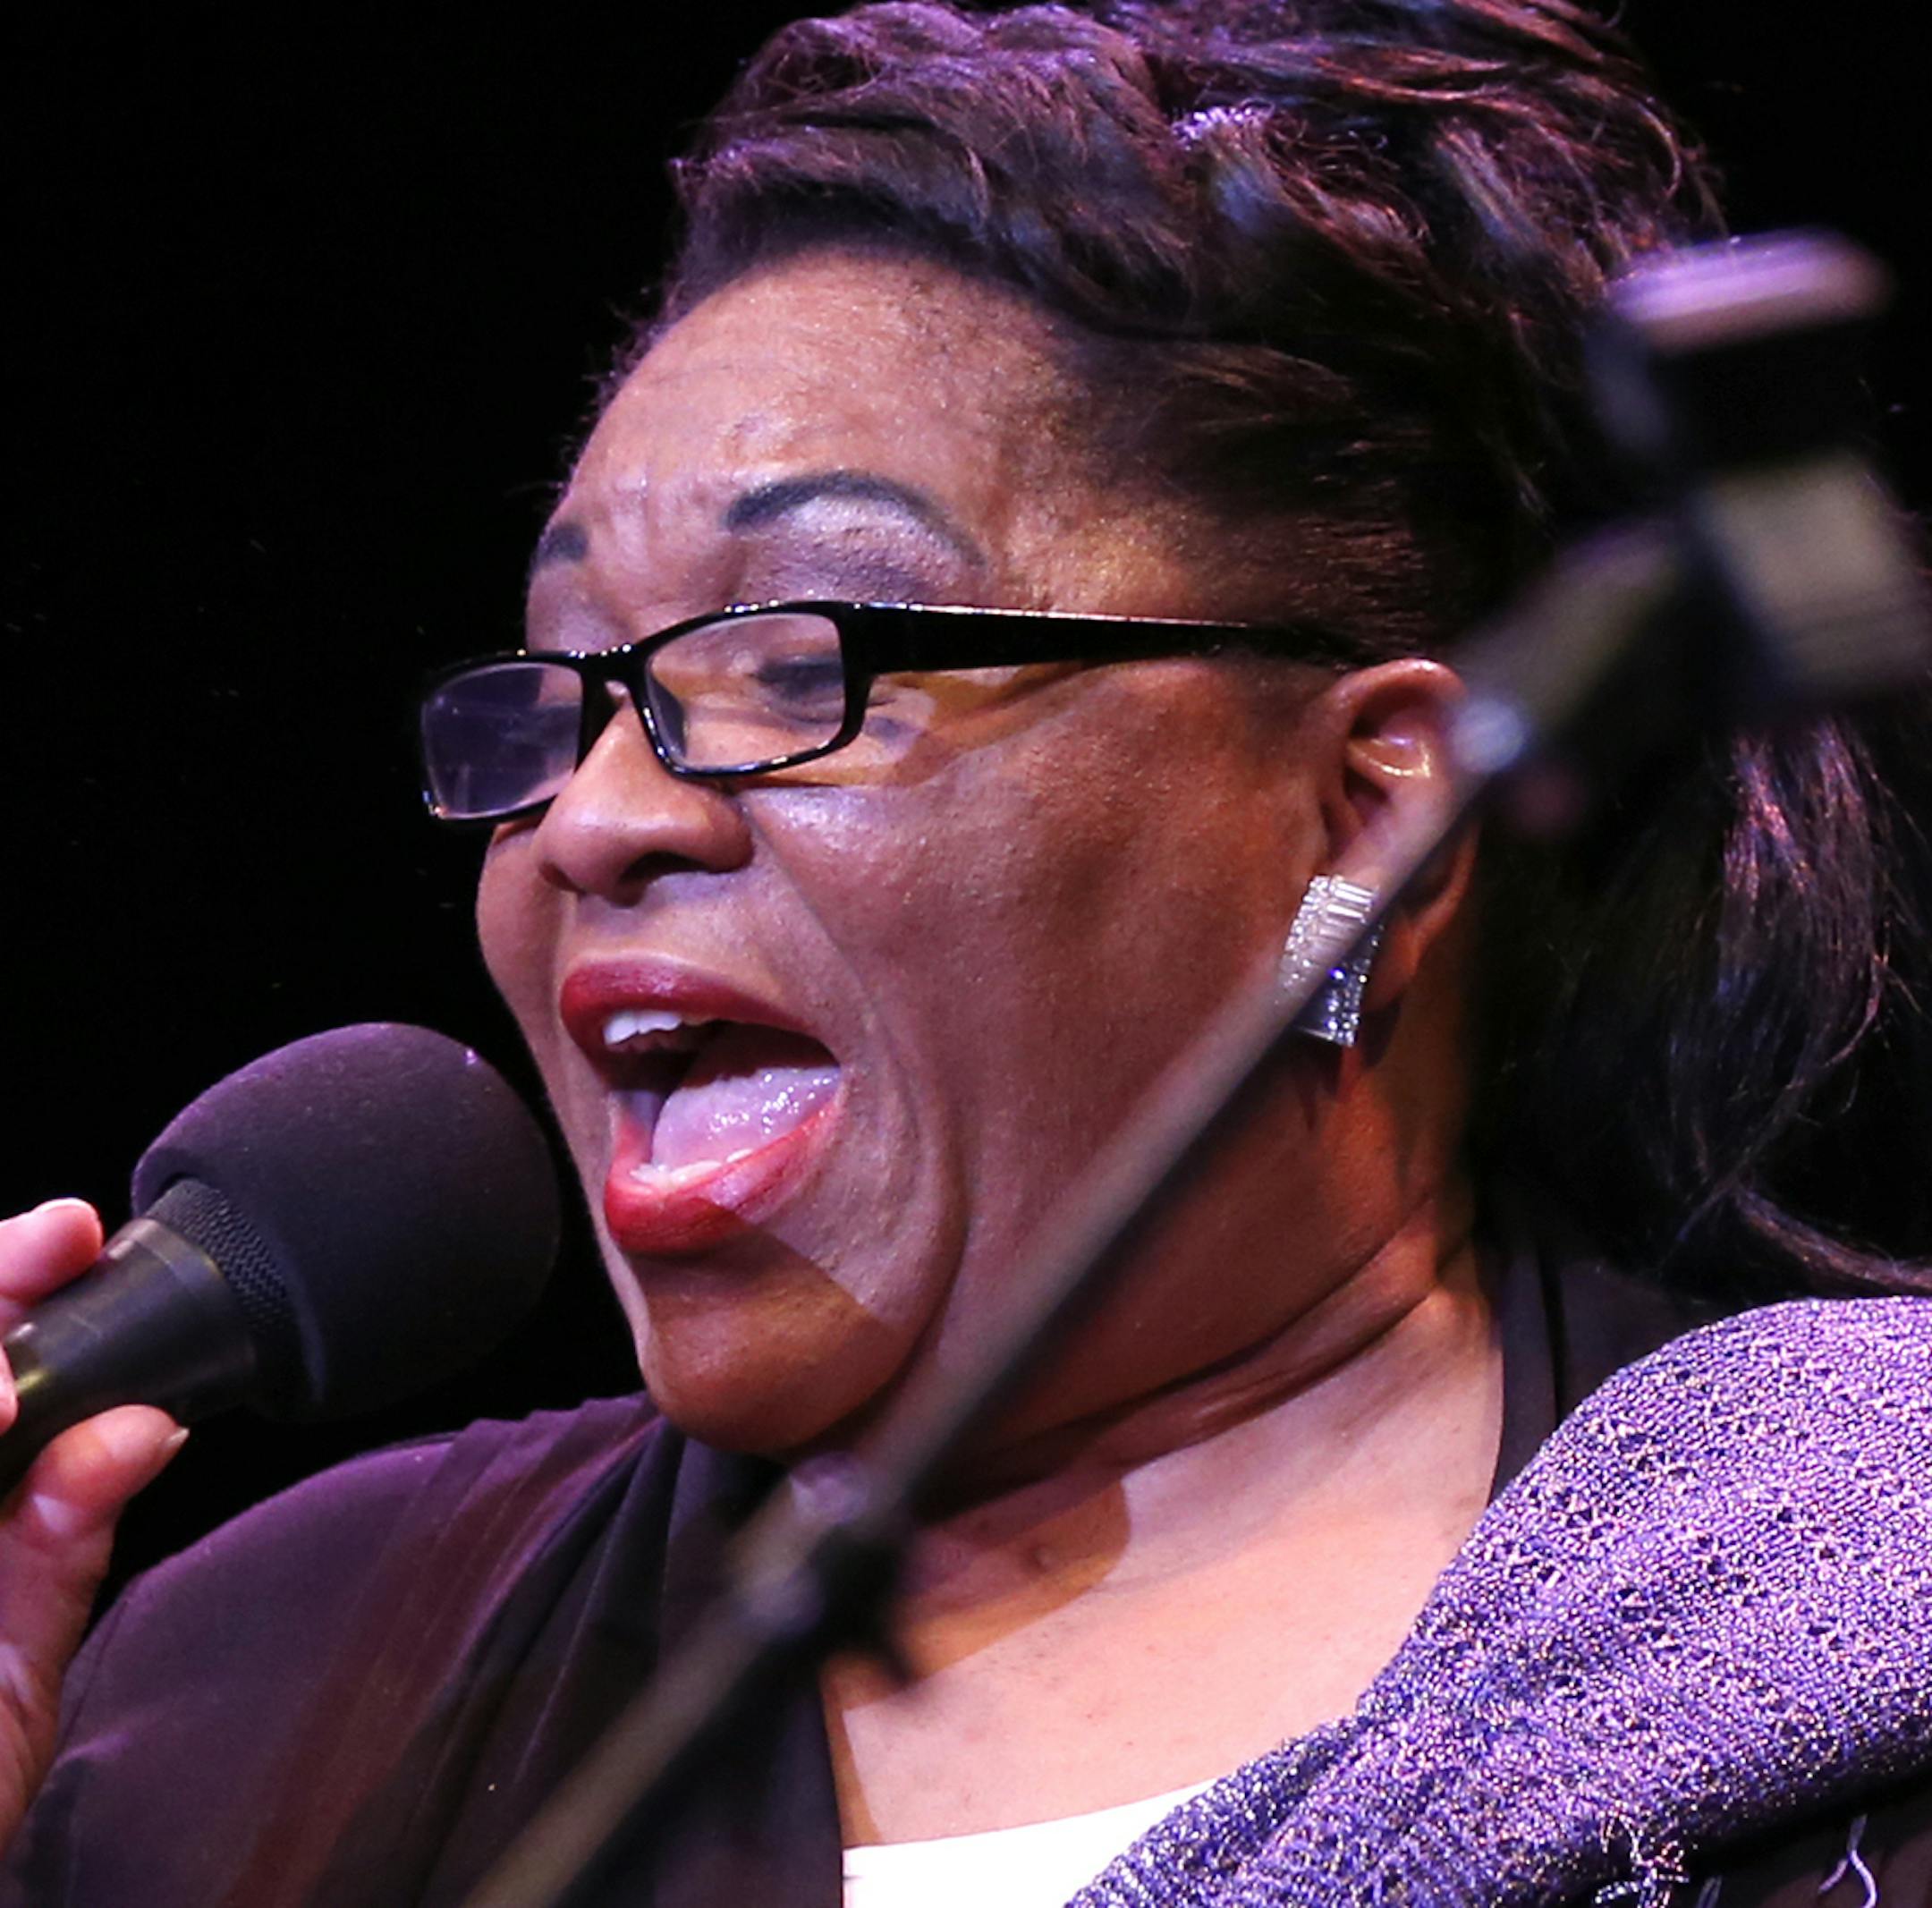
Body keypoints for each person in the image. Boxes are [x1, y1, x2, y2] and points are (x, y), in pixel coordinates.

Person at [4, 2, 1931, 1903]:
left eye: (794, 662)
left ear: (1372, 815)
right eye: (572, 688)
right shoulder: (251, 1703)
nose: (593, 819)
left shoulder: (1860, 1602)